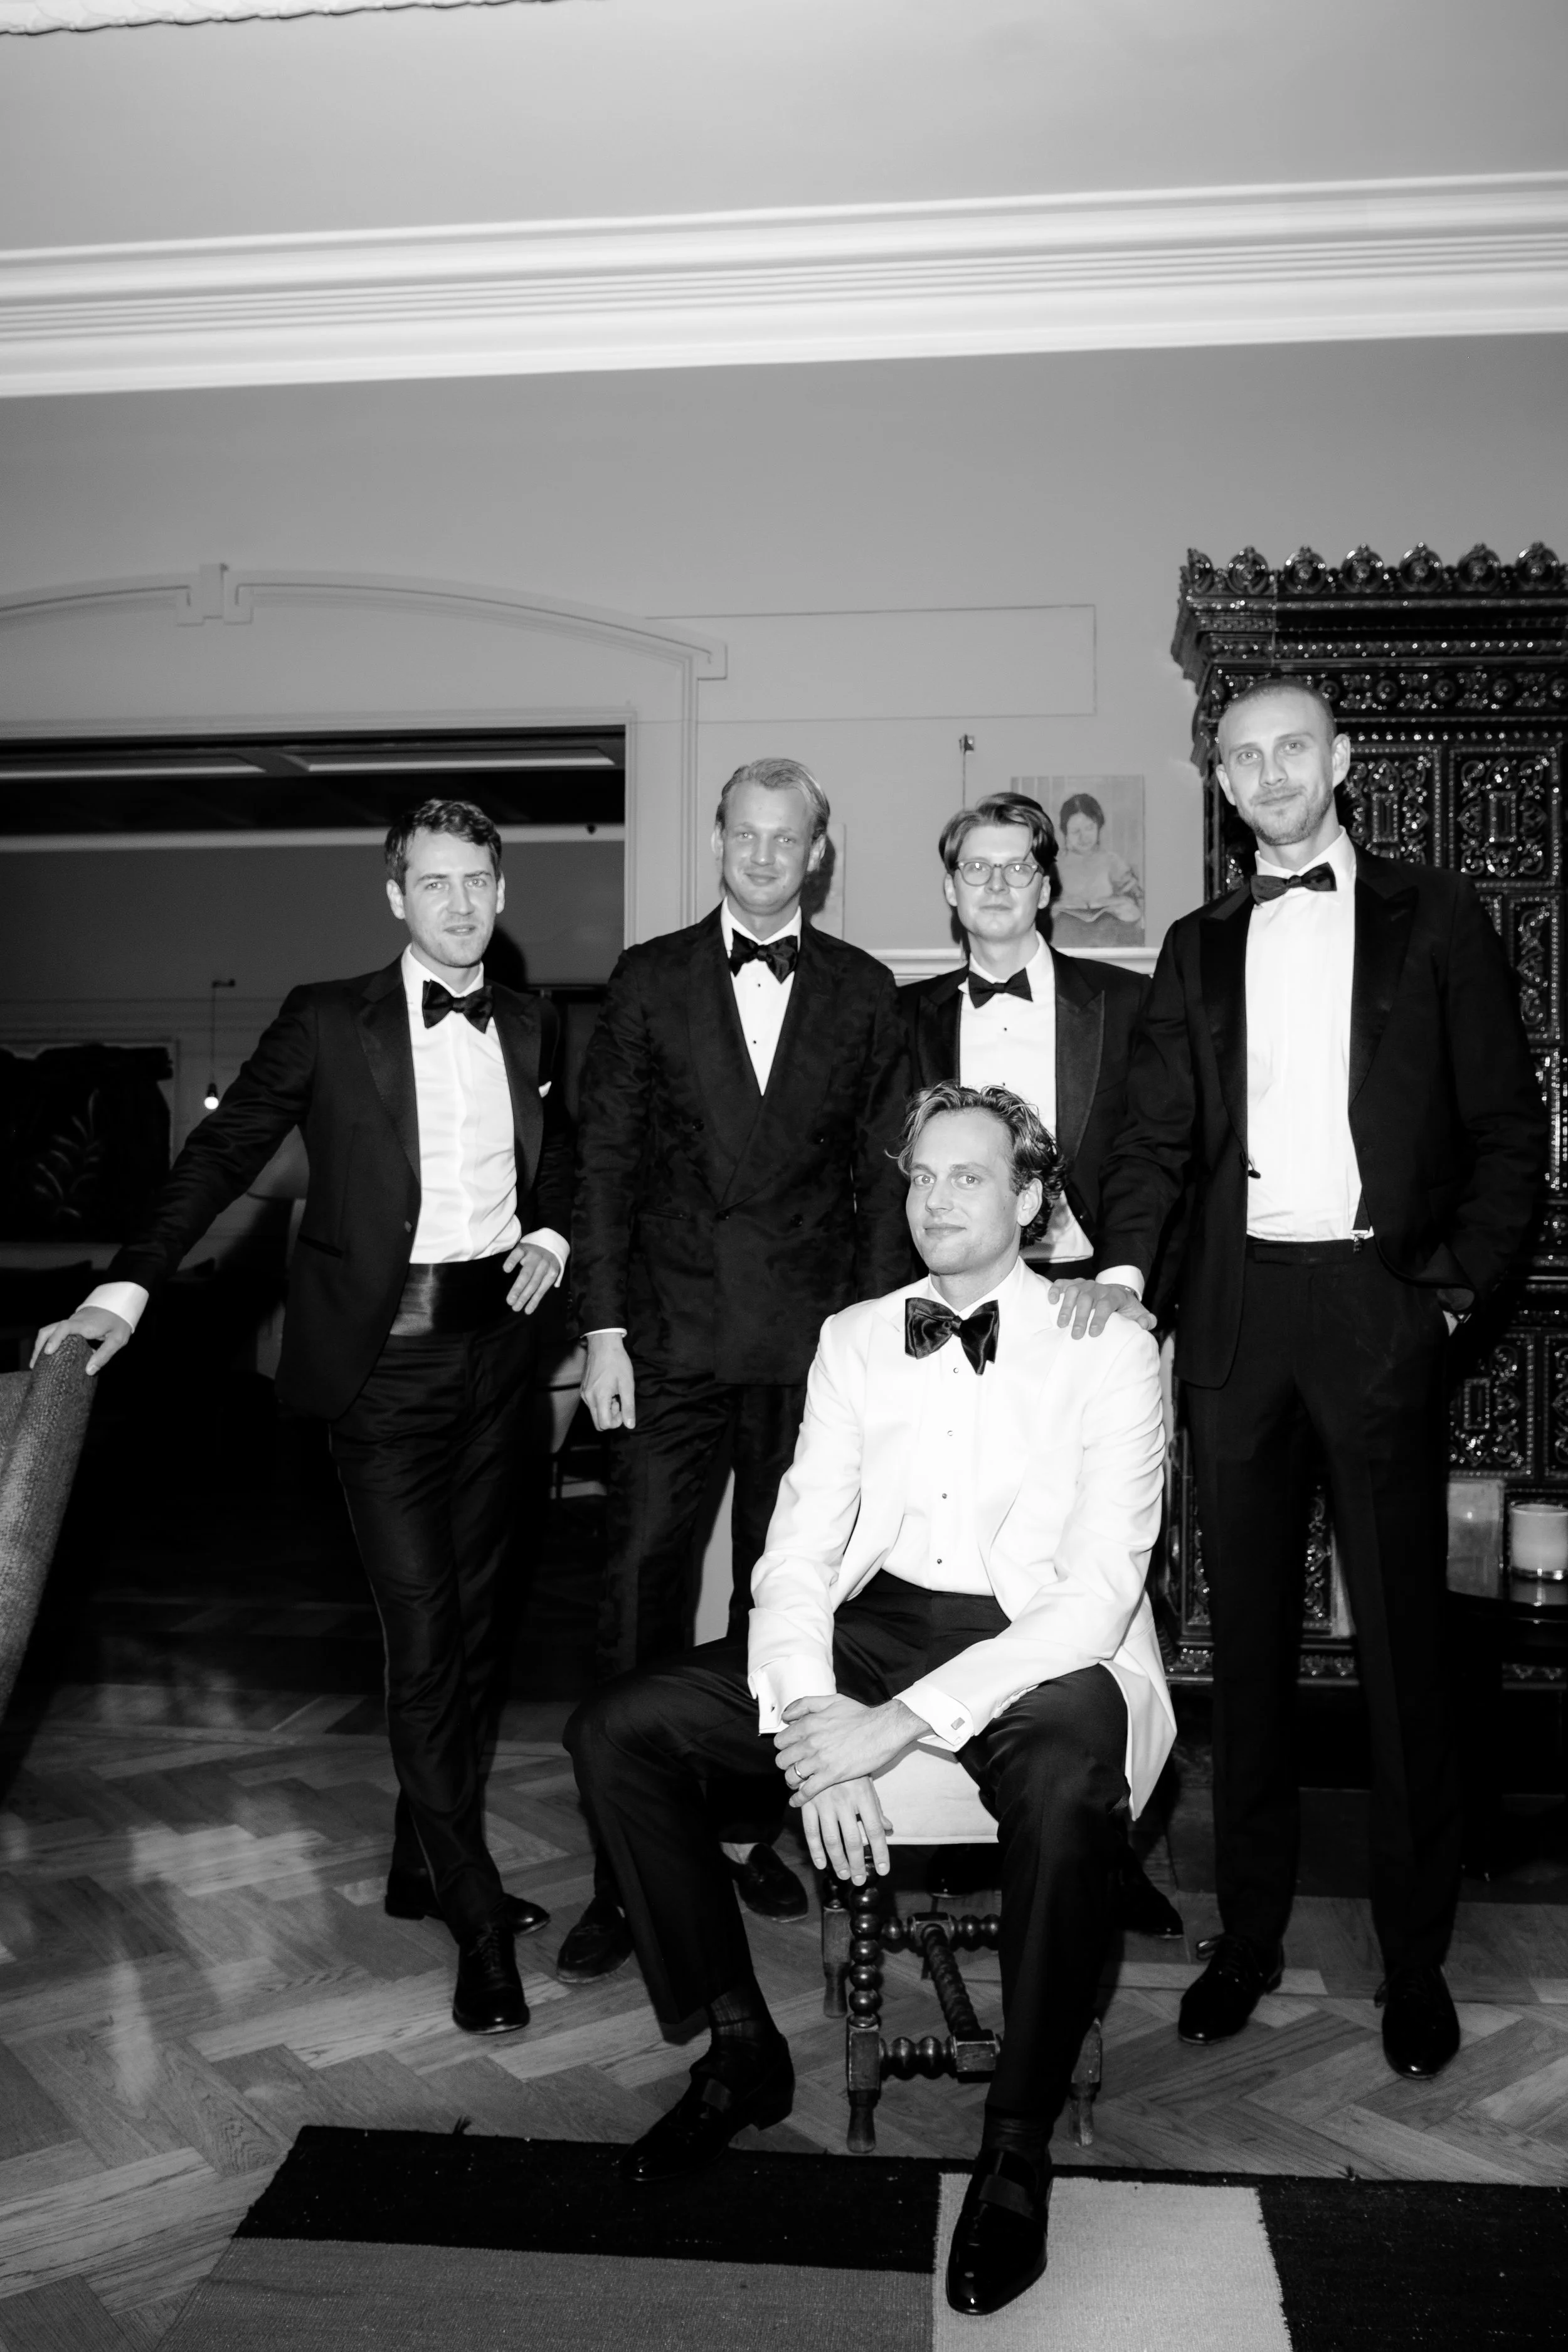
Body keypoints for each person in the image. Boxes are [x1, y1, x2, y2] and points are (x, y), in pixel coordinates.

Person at [566, 1083, 1172, 2318]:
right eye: (920, 1177)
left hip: (1046, 1641)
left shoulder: (1107, 1341)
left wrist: (889, 1734)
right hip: (878, 1621)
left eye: (967, 1177)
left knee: (1063, 1789)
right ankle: (738, 2052)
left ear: (1029, 1197)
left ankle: (1013, 2150)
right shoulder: (855, 1334)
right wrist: (806, 1725)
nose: (936, 1200)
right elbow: (791, 1554)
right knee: (619, 1730)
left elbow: (1099, 1590)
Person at [1056, 679, 1547, 2080]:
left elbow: (1507, 1128)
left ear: (1337, 762)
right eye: (1240, 757)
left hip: (1377, 1306)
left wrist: (1447, 1296)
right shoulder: (1192, 943)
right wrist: (1127, 1279)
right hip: (1232, 1320)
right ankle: (1248, 1940)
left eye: (1289, 750)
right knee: (1246, 1654)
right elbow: (1152, 1137)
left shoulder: (1434, 913)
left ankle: (1411, 1961)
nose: (1266, 774)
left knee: (1399, 1656)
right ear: (1216, 781)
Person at [33, 800, 573, 2037]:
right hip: (380, 1370)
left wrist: (550, 1229)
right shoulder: (330, 1019)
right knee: (425, 1629)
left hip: (501, 1363)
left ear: (500, 890)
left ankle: (415, 1857)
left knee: (481, 1628)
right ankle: (475, 1909)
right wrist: (128, 1281)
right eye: (431, 883)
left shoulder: (532, 1021)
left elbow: (566, 1157)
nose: (455, 903)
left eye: (475, 881)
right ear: (395, 898)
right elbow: (216, 1161)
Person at [562, 756, 913, 1981]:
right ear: (719, 840)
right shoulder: (651, 978)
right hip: (664, 1340)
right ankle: (622, 1867)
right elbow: (600, 1160)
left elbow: (885, 1187)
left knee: (786, 1602)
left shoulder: (867, 994)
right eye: (745, 835)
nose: (765, 856)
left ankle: (742, 1821)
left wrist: (869, 1346)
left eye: (788, 839)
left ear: (819, 850)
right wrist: (600, 1329)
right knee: (637, 1596)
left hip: (809, 1354)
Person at [901, 790, 1179, 1937]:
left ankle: (1102, 1829)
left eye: (1021, 867)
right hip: (959, 1321)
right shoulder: (905, 1015)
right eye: (977, 867)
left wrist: (1118, 1282)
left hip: (1089, 1320)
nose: (1000, 885)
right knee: (970, 1554)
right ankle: (984, 1803)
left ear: (1051, 884)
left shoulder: (1128, 1002)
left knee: (1101, 1573)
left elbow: (1164, 1154)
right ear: (953, 886)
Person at [1051, 791, 1143, 946]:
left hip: (1107, 935)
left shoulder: (1112, 861)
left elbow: (1134, 897)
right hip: (1066, 937)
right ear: (1065, 833)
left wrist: (1118, 903)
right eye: (1075, 832)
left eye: (1089, 828)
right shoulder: (1056, 864)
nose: (1084, 837)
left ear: (1099, 827)